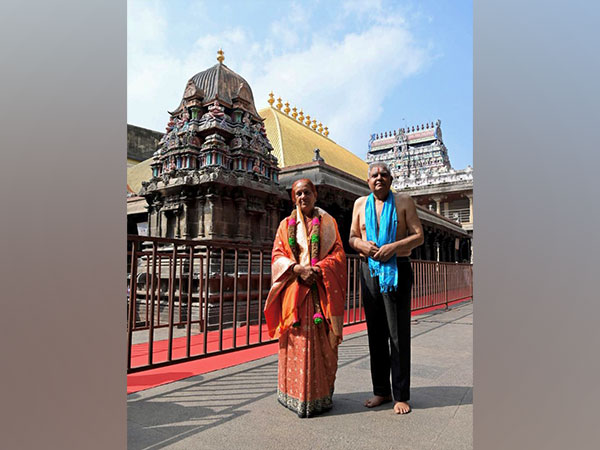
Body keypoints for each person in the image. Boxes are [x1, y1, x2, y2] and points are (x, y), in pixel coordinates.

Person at [264, 179, 347, 418]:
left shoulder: (329, 223)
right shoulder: (284, 226)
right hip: (295, 293)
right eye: (298, 193)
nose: (303, 197)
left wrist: (319, 269)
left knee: (323, 345)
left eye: (307, 192)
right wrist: (298, 269)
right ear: (293, 198)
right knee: (294, 341)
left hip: (320, 291)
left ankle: (319, 397)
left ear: (315, 194)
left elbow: (339, 254)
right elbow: (277, 255)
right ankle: (292, 394)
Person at [349, 162, 424, 415]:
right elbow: (351, 237)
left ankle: (401, 395)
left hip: (398, 268)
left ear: (391, 179)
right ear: (368, 181)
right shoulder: (360, 204)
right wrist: (363, 246)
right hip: (369, 270)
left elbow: (418, 235)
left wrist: (393, 247)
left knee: (397, 334)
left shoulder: (404, 202)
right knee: (376, 333)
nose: (378, 178)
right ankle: (381, 390)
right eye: (374, 175)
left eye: (383, 175)